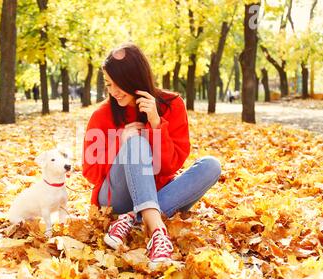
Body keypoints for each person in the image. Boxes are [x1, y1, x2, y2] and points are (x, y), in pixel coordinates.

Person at [82, 43, 222, 266]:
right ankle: (157, 232)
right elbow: (90, 172)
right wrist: (121, 142)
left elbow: (169, 166)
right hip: (115, 198)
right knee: (135, 142)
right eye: (109, 85)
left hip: (157, 193)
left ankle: (133, 220)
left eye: (120, 85)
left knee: (211, 166)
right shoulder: (102, 115)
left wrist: (156, 124)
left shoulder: (172, 105)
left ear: (135, 78)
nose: (114, 91)